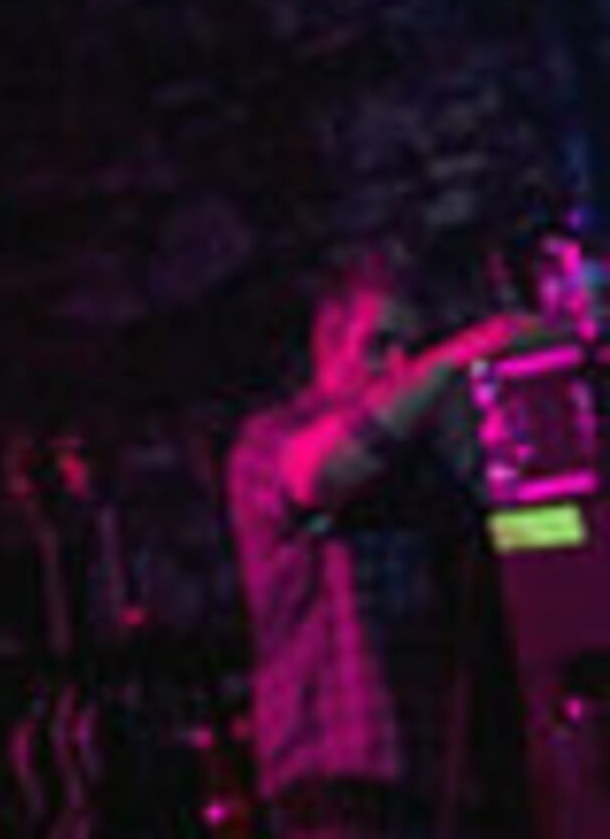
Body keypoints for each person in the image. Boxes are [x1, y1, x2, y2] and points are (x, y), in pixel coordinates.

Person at [223, 246, 537, 837]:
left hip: (441, 779)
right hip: (338, 778)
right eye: (377, 345)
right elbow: (322, 475)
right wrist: (450, 361)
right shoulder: (269, 439)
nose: (397, 365)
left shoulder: (421, 459)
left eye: (408, 349)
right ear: (326, 346)